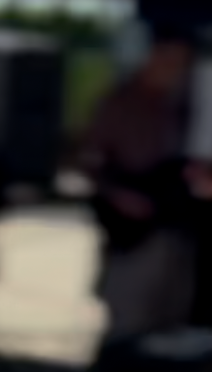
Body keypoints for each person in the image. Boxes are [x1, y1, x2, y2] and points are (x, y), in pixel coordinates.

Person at [81, 34, 199, 339]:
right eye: (168, 61)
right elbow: (90, 160)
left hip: (169, 220)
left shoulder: (178, 108)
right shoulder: (119, 103)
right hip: (130, 228)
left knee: (168, 315)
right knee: (126, 317)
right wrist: (118, 196)